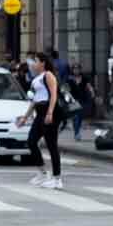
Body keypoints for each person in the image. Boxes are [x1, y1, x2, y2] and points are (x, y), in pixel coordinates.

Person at [19, 52, 63, 189]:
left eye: (36, 61)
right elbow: (34, 100)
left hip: (49, 111)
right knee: (31, 141)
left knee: (51, 145)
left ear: (43, 63)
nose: (33, 64)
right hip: (39, 112)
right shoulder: (36, 79)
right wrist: (25, 117)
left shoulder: (48, 75)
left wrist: (50, 112)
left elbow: (54, 94)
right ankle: (43, 173)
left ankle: (57, 179)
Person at [67, 63, 94, 141]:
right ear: (73, 70)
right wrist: (67, 97)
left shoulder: (84, 78)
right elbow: (65, 88)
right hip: (73, 100)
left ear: (80, 69)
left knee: (80, 116)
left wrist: (92, 92)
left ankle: (77, 131)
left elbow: (88, 86)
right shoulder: (69, 79)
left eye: (78, 69)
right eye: (75, 69)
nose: (76, 70)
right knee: (76, 117)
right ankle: (76, 133)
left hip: (82, 99)